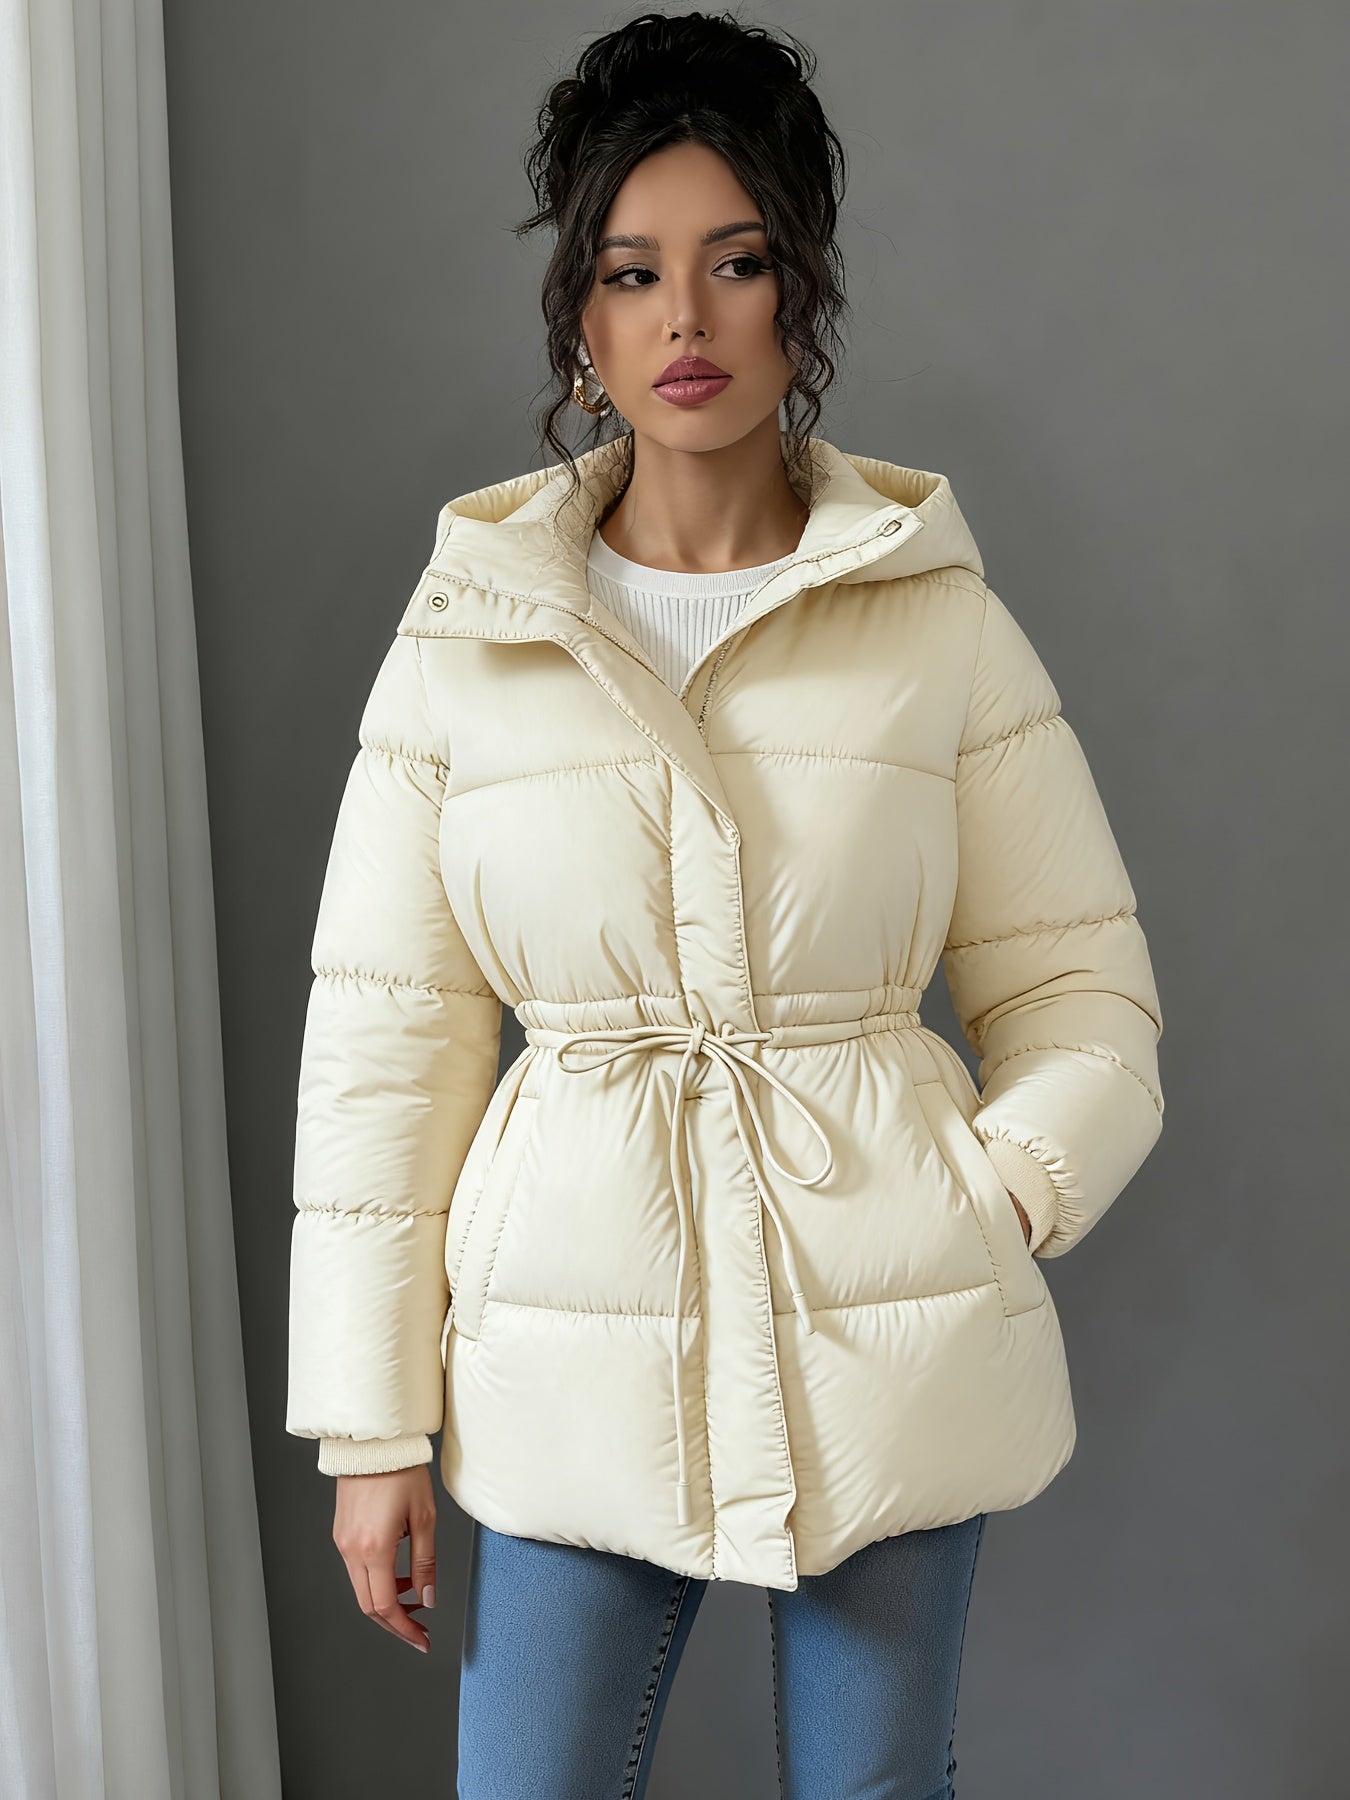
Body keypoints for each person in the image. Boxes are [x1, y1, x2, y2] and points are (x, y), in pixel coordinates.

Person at [285, 11, 1165, 1796]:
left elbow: (1085, 999)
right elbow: (385, 1051)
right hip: (567, 1349)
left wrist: (989, 1195)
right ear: (580, 318)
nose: (682, 320)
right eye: (631, 273)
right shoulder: (468, 637)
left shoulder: (934, 622)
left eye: (734, 263)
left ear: (798, 293)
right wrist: (370, 1426)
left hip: (881, 1324)